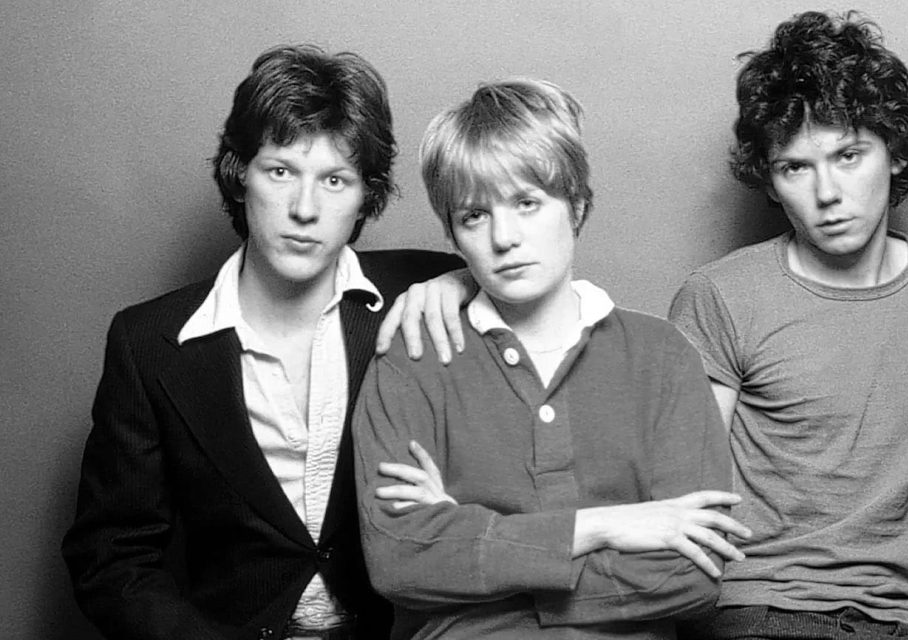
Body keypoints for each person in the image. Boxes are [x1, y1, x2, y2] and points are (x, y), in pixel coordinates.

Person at [62, 45, 462, 639]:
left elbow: (537, 280)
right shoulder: (149, 343)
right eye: (281, 171)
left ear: (365, 196)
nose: (305, 208)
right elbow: (111, 558)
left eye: (335, 180)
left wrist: (463, 282)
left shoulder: (421, 291)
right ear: (240, 175)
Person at [352, 79, 748, 640]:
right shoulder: (412, 358)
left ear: (577, 205)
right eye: (474, 215)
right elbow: (401, 561)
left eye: (527, 203)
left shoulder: (663, 357)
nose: (504, 237)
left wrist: (472, 551)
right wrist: (600, 527)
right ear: (453, 235)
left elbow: (692, 577)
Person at [666, 11, 908, 639]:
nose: (827, 193)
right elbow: (686, 507)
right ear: (771, 181)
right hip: (761, 613)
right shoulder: (721, 296)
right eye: (796, 167)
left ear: (895, 152)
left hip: (905, 624)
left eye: (849, 155)